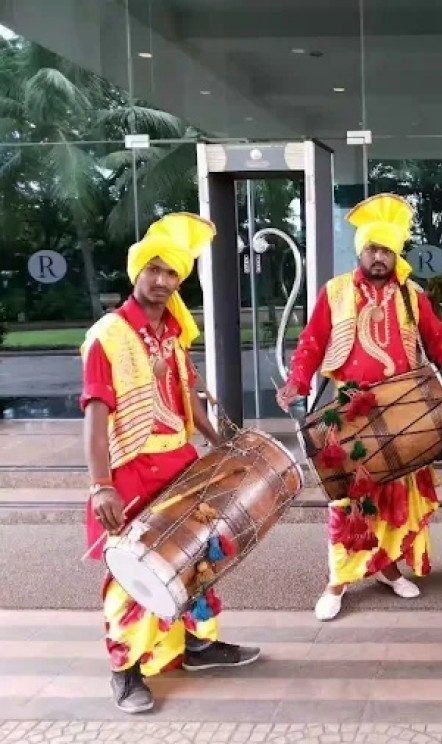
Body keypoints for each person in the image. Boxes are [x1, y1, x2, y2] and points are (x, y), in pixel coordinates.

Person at [81, 213, 261, 715]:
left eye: (172, 273)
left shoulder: (174, 333)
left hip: (182, 468)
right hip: (131, 472)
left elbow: (189, 402)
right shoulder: (108, 335)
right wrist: (101, 485)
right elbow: (95, 418)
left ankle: (197, 645)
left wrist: (225, 441)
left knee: (196, 560)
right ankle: (125, 670)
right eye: (153, 270)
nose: (161, 280)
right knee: (131, 576)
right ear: (136, 271)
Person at [275, 193, 442, 622]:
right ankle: (337, 582)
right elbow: (312, 343)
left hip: (402, 409)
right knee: (347, 499)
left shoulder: (410, 293)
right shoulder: (336, 291)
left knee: (396, 492)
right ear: (360, 251)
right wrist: (296, 381)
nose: (378, 257)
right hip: (350, 411)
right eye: (372, 249)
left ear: (395, 254)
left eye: (386, 250)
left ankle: (387, 567)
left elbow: (435, 336)